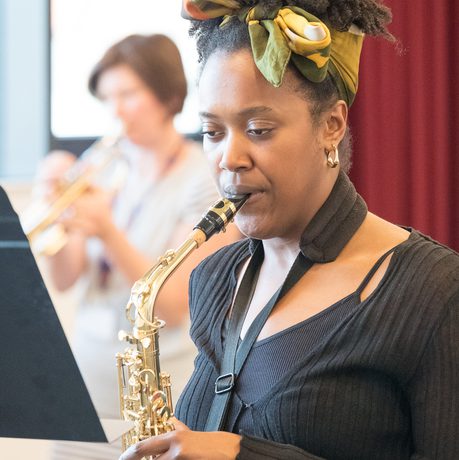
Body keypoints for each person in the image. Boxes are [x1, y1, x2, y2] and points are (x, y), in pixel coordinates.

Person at [119, 1, 459, 459]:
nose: (229, 159)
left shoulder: (435, 289)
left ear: (332, 126)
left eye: (258, 129)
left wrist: (241, 454)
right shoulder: (213, 278)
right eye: (213, 132)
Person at [35, 33, 240, 459]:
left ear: (167, 96)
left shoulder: (201, 178)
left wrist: (107, 231)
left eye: (128, 94)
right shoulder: (103, 166)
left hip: (157, 396)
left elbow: (173, 305)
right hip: (86, 384)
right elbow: (66, 278)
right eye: (108, 98)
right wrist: (54, 213)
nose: (116, 110)